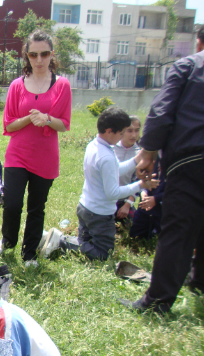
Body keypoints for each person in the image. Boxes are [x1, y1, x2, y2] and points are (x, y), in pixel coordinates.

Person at [120, 27, 204, 313]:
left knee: (179, 229)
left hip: (191, 159)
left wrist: (147, 152)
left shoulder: (189, 66)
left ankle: (157, 301)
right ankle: (200, 281)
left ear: (199, 42)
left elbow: (161, 111)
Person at [0, 30, 72, 267]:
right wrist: (29, 118)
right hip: (17, 154)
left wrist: (46, 119)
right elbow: (8, 124)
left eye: (44, 54)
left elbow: (64, 124)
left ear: (51, 55)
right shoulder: (17, 85)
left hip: (45, 157)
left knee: (37, 207)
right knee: (13, 204)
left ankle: (29, 253)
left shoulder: (62, 85)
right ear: (27, 56)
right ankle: (7, 241)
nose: (39, 60)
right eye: (33, 54)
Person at [40, 107, 157, 260]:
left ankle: (53, 239)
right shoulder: (106, 156)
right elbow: (112, 193)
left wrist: (137, 158)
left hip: (85, 207)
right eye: (121, 133)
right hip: (99, 214)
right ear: (109, 131)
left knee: (84, 242)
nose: (122, 137)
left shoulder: (95, 145)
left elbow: (115, 169)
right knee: (103, 253)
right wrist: (140, 185)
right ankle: (61, 240)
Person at [113, 116, 142, 224]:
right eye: (130, 131)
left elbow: (138, 182)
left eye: (137, 130)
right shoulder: (112, 148)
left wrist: (127, 204)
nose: (134, 135)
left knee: (133, 230)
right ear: (122, 131)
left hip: (124, 200)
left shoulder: (140, 153)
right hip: (106, 200)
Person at [129, 160, 164, 240]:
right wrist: (143, 192)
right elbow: (140, 179)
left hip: (166, 210)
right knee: (135, 237)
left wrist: (156, 199)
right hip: (145, 207)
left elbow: (179, 190)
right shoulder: (151, 157)